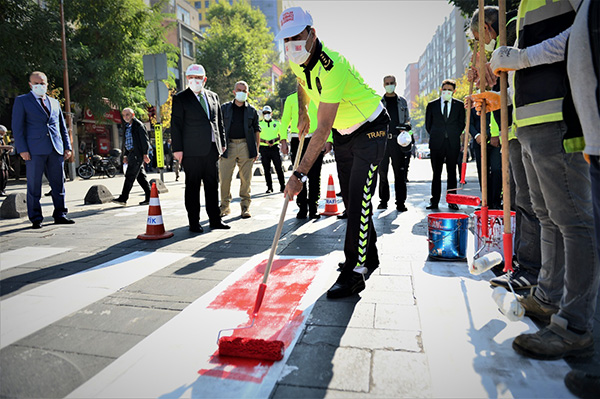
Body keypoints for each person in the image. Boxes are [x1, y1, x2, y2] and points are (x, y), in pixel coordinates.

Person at [482, 0, 599, 361]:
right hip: (530, 123)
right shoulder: (527, 5)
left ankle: (575, 324)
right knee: (548, 216)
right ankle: (548, 298)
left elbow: (581, 38)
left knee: (574, 222)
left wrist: (518, 58)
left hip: (556, 117)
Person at [276, 7, 389, 299]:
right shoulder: (296, 59)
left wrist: (298, 174)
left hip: (370, 129)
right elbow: (302, 83)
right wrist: (302, 110)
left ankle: (355, 270)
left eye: (296, 37)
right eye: (286, 40)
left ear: (312, 34)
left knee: (359, 202)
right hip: (344, 133)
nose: (291, 45)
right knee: (352, 200)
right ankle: (369, 256)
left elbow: (322, 128)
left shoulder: (332, 65)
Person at [470, 5, 541, 290]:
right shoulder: (503, 40)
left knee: (532, 204)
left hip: (529, 123)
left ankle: (531, 269)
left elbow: (517, 80)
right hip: (516, 126)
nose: (481, 43)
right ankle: (524, 265)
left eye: (479, 37)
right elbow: (506, 85)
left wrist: (495, 92)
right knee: (523, 202)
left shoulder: (512, 31)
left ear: (487, 27)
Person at [11, 71, 74, 229]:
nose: (40, 86)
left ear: (47, 84)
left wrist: (67, 147)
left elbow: (61, 127)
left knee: (58, 184)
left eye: (42, 83)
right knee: (34, 186)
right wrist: (22, 149)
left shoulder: (54, 102)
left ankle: (60, 214)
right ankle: (36, 218)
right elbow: (17, 128)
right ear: (30, 84)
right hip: (34, 151)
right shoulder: (22, 101)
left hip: (55, 149)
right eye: (36, 83)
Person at [171, 64, 229, 233]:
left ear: (204, 79)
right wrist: (178, 149)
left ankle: (215, 220)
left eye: (198, 78)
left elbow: (219, 123)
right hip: (191, 152)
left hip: (212, 149)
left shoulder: (213, 96)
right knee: (193, 187)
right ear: (187, 79)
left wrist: (222, 143)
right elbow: (176, 125)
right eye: (191, 77)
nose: (194, 81)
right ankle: (194, 222)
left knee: (212, 186)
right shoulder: (181, 98)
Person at [280, 92, 332, 219]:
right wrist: (282, 140)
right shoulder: (291, 99)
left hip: (316, 139)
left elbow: (327, 120)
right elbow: (285, 119)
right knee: (298, 174)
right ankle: (302, 207)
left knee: (315, 175)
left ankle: (313, 207)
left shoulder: (319, 97)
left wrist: (329, 140)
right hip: (297, 139)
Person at [219, 81, 260, 219]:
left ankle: (245, 207)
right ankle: (224, 206)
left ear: (247, 93)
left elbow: (256, 131)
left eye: (244, 90)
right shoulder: (224, 108)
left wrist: (256, 149)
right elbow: (217, 127)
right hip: (227, 146)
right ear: (234, 91)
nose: (241, 92)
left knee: (246, 179)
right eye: (239, 89)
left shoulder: (252, 111)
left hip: (245, 146)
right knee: (224, 178)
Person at [425, 79, 466, 210]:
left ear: (454, 91)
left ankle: (452, 200)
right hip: (436, 143)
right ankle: (434, 201)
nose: (446, 91)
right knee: (436, 173)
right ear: (441, 90)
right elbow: (428, 124)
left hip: (452, 143)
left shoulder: (459, 105)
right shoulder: (432, 105)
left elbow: (461, 123)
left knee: (452, 173)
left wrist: (453, 134)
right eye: (444, 89)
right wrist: (437, 134)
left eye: (449, 90)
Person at [378, 75, 411, 212]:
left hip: (398, 142)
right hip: (383, 142)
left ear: (396, 84)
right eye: (387, 83)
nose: (389, 85)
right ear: (383, 85)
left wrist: (406, 127)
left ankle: (401, 202)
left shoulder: (402, 102)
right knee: (383, 173)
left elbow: (408, 121)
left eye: (392, 83)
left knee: (399, 174)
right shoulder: (378, 102)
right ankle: (383, 201)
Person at [111, 108, 152, 206]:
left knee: (129, 176)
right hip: (131, 154)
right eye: (124, 115)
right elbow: (126, 142)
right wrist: (125, 155)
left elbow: (144, 141)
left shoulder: (138, 125)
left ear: (133, 115)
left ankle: (123, 198)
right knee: (140, 177)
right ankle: (150, 197)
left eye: (128, 115)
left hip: (137, 154)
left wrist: (145, 154)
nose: (126, 117)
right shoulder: (127, 126)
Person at [258, 105, 286, 196]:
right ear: (263, 114)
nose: (267, 115)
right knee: (266, 169)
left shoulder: (277, 123)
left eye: (268, 113)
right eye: (265, 113)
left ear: (271, 113)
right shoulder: (259, 124)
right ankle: (269, 187)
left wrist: (275, 140)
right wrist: (264, 141)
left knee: (278, 167)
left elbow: (282, 135)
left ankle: (283, 186)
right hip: (264, 148)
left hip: (274, 147)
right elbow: (256, 137)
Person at [0, 125, 13, 196]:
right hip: (0, 160)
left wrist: (8, 149)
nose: (4, 134)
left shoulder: (2, 138)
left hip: (3, 158)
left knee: (6, 174)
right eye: (3, 132)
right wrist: (7, 147)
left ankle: (3, 189)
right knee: (2, 175)